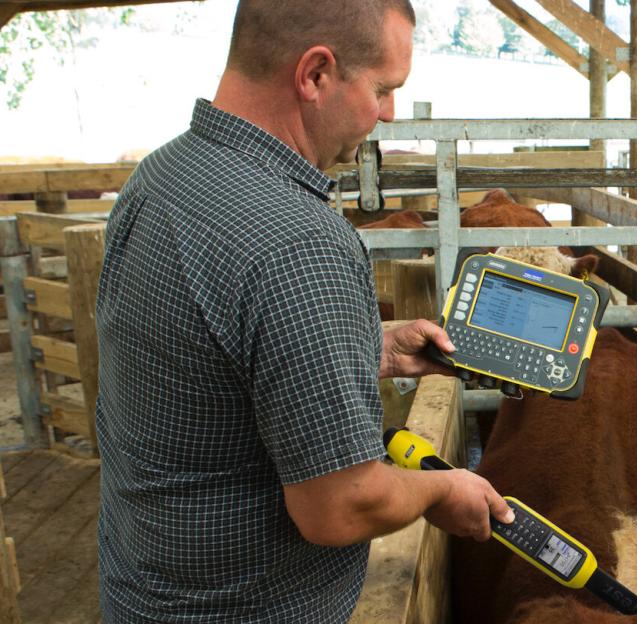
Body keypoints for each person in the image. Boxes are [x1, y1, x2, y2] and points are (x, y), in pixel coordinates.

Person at [95, 1, 514, 622]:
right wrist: (442, 488)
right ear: (315, 74)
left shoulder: (160, 175)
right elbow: (341, 506)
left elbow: (209, 361)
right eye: (382, 89)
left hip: (142, 592)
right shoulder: (302, 241)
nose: (388, 113)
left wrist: (367, 346)